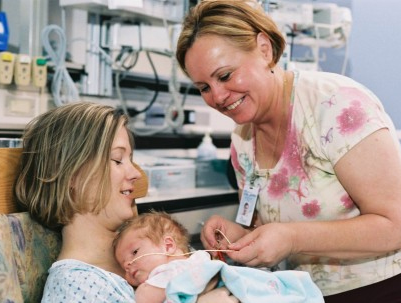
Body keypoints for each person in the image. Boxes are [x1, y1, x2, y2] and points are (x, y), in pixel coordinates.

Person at [176, 0, 401, 302]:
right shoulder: (243, 139)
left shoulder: (336, 107)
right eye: (203, 87)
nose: (217, 96)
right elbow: (273, 222)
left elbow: (395, 227)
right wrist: (244, 236)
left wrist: (291, 238)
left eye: (225, 76)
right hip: (309, 293)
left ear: (264, 50)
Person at [13, 102, 239, 302]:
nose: (136, 174)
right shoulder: (75, 288)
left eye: (130, 160)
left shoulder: (151, 246)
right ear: (71, 175)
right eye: (117, 160)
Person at [113, 211, 324, 303]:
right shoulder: (198, 259)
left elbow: (144, 299)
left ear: (168, 245)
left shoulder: (165, 273)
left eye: (134, 253)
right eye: (124, 267)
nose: (129, 267)